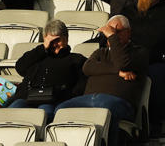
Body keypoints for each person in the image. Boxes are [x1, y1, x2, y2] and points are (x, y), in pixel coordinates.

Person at [53, 15, 147, 146]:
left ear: (128, 33)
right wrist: (117, 72)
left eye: (117, 32)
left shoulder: (138, 52)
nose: (111, 35)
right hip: (88, 99)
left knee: (105, 110)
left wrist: (113, 38)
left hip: (119, 103)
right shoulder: (100, 52)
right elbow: (87, 68)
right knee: (60, 110)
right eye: (109, 32)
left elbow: (122, 63)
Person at [9, 19, 86, 121]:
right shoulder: (37, 55)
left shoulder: (76, 59)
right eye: (50, 41)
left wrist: (64, 95)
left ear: (66, 39)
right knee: (13, 111)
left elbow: (81, 85)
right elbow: (20, 68)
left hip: (53, 100)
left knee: (44, 113)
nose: (54, 44)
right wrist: (43, 48)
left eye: (57, 40)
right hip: (26, 97)